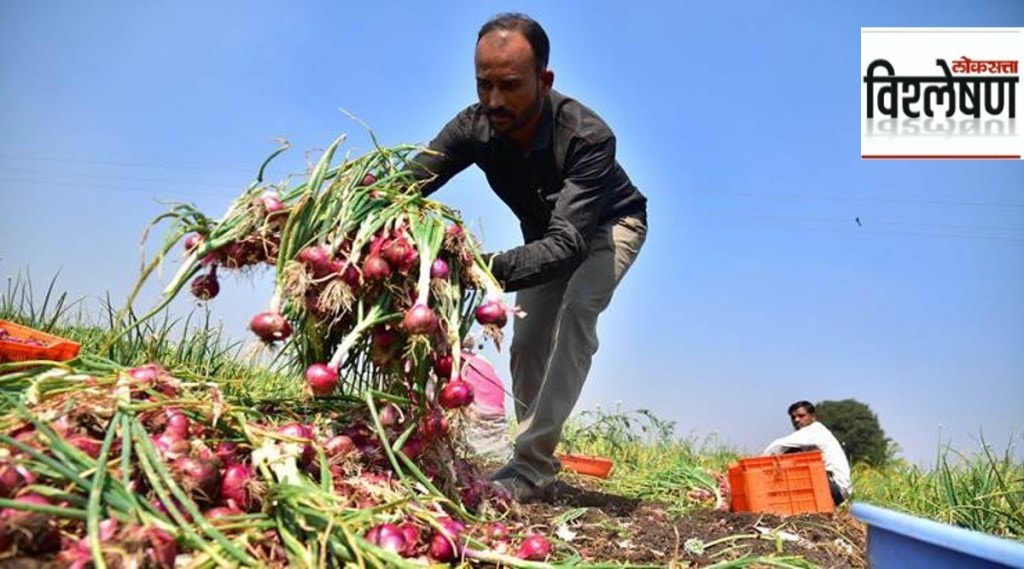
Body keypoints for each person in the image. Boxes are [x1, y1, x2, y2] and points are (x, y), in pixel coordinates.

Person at [407, 12, 648, 502]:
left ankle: (531, 466)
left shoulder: (586, 136)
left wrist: (475, 269)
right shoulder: (472, 127)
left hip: (607, 227)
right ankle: (530, 459)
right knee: (528, 339)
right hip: (543, 235)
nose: (495, 101)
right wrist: (356, 206)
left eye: (510, 86)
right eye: (484, 85)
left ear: (544, 79)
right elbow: (409, 183)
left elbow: (569, 245)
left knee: (576, 313)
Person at [763, 401, 853, 506]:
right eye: (793, 417)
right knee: (792, 454)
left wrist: (759, 465)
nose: (796, 420)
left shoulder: (814, 431)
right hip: (835, 488)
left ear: (813, 417)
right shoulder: (811, 434)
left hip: (835, 487)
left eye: (801, 416)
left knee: (789, 454)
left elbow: (777, 445)